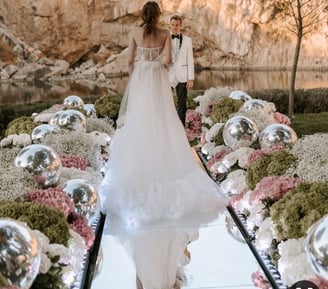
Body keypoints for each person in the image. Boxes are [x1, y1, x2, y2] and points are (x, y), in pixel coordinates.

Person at [99, 1, 228, 288]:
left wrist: (140, 74)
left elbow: (130, 63)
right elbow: (169, 63)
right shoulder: (165, 35)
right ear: (158, 17)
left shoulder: (134, 32)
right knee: (163, 123)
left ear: (141, 15)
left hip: (142, 83)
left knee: (140, 124)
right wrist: (156, 67)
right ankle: (163, 164)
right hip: (157, 82)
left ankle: (141, 167)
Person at [168, 14, 194, 126]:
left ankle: (180, 128)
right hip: (167, 75)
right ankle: (167, 127)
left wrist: (190, 78)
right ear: (170, 25)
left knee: (182, 104)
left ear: (181, 26)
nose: (174, 27)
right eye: (172, 24)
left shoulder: (188, 41)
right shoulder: (165, 39)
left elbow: (190, 60)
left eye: (177, 25)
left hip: (183, 76)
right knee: (166, 103)